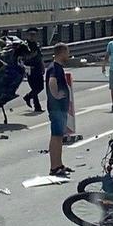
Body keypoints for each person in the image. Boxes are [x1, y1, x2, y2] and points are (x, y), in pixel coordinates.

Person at [46, 43, 73, 176]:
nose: (68, 55)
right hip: (56, 109)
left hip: (59, 108)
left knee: (58, 137)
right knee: (56, 137)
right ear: (61, 53)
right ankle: (54, 167)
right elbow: (52, 82)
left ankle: (59, 164)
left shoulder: (57, 67)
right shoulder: (54, 68)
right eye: (67, 52)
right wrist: (56, 95)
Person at [21, 30, 44, 112]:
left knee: (40, 87)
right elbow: (24, 58)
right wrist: (31, 56)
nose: (32, 37)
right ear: (27, 35)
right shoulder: (24, 46)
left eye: (34, 35)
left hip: (37, 67)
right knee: (34, 88)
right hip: (30, 68)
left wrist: (43, 66)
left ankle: (28, 97)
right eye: (30, 35)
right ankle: (37, 107)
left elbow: (40, 57)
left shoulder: (37, 45)